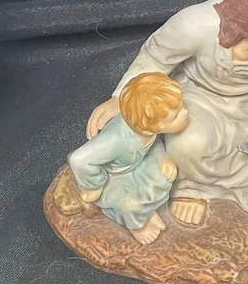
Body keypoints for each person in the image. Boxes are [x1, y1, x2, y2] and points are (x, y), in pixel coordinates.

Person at [87, 0, 248, 226]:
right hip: (196, 96)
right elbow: (154, 59)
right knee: (187, 143)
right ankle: (191, 190)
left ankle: (243, 187)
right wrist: (122, 98)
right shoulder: (198, 25)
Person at [68, 72, 189, 244]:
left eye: (181, 107)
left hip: (136, 164)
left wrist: (161, 157)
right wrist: (95, 185)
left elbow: (154, 140)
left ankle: (145, 212)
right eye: (176, 116)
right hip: (113, 175)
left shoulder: (146, 127)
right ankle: (136, 225)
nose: (185, 113)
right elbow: (78, 159)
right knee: (129, 204)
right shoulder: (115, 140)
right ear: (147, 127)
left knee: (163, 177)